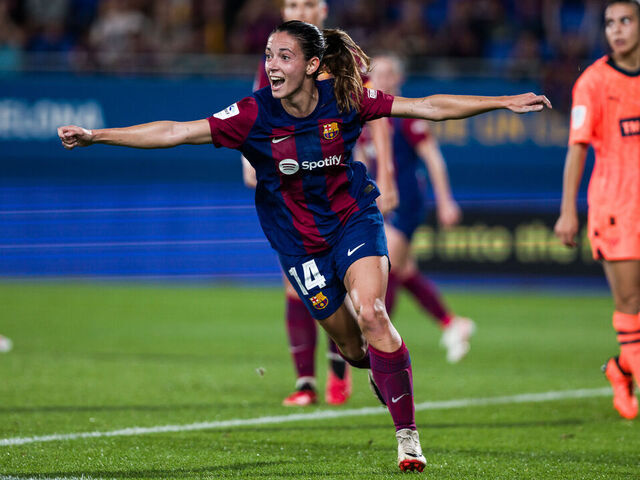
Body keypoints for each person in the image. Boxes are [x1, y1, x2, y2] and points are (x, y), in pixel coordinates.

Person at [58, 20, 551, 472]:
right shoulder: (252, 113)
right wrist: (98, 135)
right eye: (269, 56)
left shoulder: (346, 98)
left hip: (353, 221)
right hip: (299, 245)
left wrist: (501, 101)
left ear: (313, 65)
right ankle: (379, 369)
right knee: (353, 349)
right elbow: (176, 131)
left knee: (374, 312)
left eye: (284, 56)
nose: (272, 65)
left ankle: (407, 437)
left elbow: (426, 106)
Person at [243, 0, 398, 407]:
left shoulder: (341, 55)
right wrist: (249, 159)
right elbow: (256, 110)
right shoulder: (277, 59)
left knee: (352, 290)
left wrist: (386, 173)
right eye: (293, 3)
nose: (301, 9)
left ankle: (339, 374)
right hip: (295, 185)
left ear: (323, 9)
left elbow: (376, 111)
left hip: (339, 180)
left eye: (308, 3)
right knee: (299, 287)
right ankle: (306, 382)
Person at [358, 54, 475, 363]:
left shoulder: (407, 116)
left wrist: (446, 201)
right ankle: (452, 323)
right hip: (381, 203)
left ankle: (377, 344)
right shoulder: (367, 115)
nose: (380, 79)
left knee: (386, 270)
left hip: (405, 202)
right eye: (376, 74)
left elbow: (433, 159)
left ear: (398, 79)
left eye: (387, 74)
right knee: (405, 271)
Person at [554, 0, 640, 421]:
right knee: (630, 301)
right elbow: (578, 147)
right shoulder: (593, 82)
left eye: (626, 21)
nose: (617, 29)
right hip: (616, 208)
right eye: (609, 23)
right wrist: (568, 210)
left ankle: (621, 370)